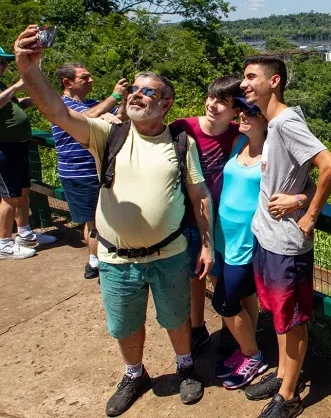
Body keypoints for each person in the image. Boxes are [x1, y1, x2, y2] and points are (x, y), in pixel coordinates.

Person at [14, 25, 213, 417]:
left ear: (167, 103)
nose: (135, 94)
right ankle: (134, 374)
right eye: (134, 89)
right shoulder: (108, 134)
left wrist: (207, 244)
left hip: (170, 253)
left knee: (176, 318)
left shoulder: (180, 142)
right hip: (117, 257)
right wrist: (28, 67)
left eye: (147, 91)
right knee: (124, 324)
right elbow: (55, 110)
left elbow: (199, 195)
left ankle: (186, 366)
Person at [240, 55, 331, 418]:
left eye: (251, 77)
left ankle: (289, 396)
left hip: (286, 244)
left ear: (274, 81)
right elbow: (305, 177)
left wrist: (309, 214)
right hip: (267, 237)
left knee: (293, 320)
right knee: (279, 316)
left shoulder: (286, 122)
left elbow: (330, 165)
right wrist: (300, 197)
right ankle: (284, 374)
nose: (244, 83)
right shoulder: (272, 124)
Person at [211, 97, 312, 391]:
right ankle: (250, 349)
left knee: (224, 302)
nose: (243, 115)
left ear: (266, 121)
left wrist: (299, 200)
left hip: (249, 241)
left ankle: (252, 355)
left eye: (251, 112)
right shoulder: (238, 143)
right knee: (244, 298)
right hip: (223, 237)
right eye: (242, 110)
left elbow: (308, 183)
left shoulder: (274, 151)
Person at [169, 76, 241, 357]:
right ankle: (198, 328)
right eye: (211, 97)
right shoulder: (182, 128)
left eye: (222, 102)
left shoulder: (239, 134)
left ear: (236, 110)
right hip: (187, 217)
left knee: (220, 277)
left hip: (221, 222)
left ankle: (230, 330)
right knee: (194, 275)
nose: (212, 105)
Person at [52, 62, 129, 278]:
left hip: (101, 171)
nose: (90, 80)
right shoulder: (61, 105)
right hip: (79, 173)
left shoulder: (94, 103)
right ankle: (98, 265)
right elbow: (84, 117)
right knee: (94, 222)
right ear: (67, 83)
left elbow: (120, 117)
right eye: (84, 77)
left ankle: (96, 262)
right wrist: (114, 96)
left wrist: (124, 101)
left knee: (105, 219)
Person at [0, 46, 56, 260]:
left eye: (5, 62)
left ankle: (24, 234)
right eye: (0, 62)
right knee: (9, 197)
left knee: (23, 192)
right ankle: (4, 243)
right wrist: (17, 86)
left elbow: (12, 105)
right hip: (4, 148)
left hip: (19, 146)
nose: (4, 66)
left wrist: (33, 99)